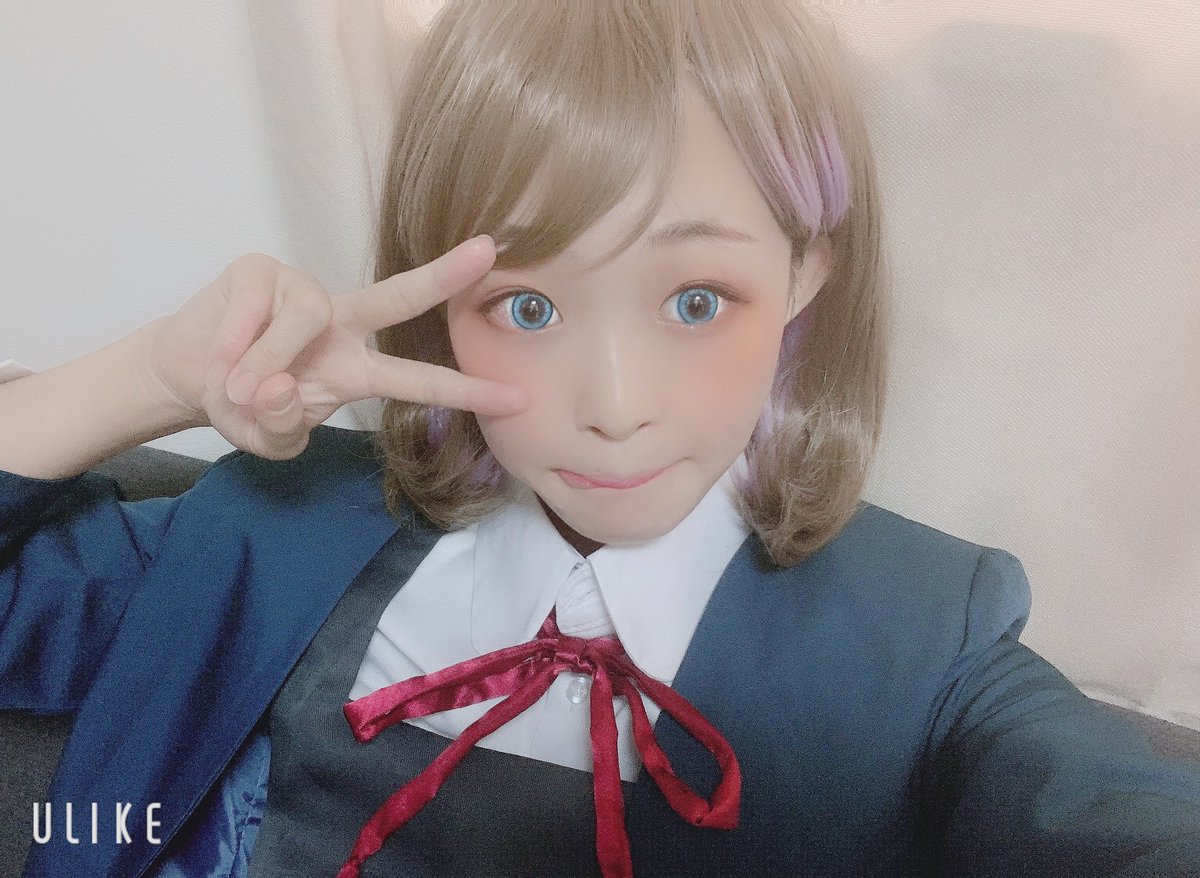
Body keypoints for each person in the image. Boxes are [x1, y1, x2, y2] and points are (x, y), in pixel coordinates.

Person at [2, 1, 1198, 876]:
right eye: (528, 306)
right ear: (443, 300)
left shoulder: (923, 637)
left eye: (695, 300)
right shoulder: (273, 526)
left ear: (803, 272)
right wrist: (151, 376)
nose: (616, 404)